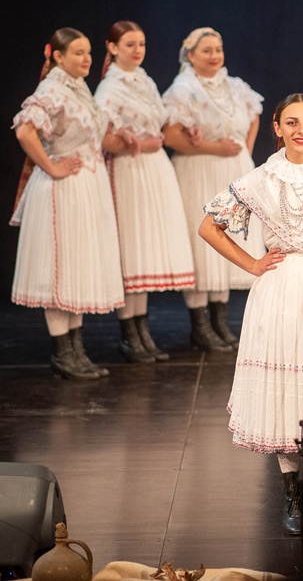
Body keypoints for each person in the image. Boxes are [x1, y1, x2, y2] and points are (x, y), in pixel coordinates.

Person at [199, 93, 303, 535]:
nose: (301, 130)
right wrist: (252, 264)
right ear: (276, 127)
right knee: (286, 389)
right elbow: (209, 226)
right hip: (279, 289)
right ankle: (293, 494)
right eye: (292, 122)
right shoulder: (261, 178)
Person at [10, 28, 124, 380]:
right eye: (78, 53)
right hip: (62, 189)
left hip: (86, 186)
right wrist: (52, 166)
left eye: (88, 52)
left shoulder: (78, 88)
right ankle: (63, 353)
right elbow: (25, 129)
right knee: (60, 269)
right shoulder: (52, 89)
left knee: (76, 267)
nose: (86, 59)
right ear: (58, 57)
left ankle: (76, 350)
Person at [95, 21, 196, 363]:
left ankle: (142, 330)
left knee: (144, 250)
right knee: (131, 248)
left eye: (141, 44)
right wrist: (137, 143)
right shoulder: (110, 87)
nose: (137, 50)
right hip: (128, 170)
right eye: (129, 44)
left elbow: (161, 119)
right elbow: (103, 137)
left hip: (152, 169)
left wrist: (186, 130)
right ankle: (129, 334)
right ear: (112, 48)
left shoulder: (144, 80)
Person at [162, 27, 265, 353]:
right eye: (206, 50)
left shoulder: (234, 85)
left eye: (217, 49)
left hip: (231, 171)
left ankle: (220, 321)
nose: (214, 55)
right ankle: (200, 324)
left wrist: (243, 151)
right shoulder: (183, 89)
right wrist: (213, 148)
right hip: (199, 170)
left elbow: (255, 115)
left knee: (229, 238)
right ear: (191, 55)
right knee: (203, 244)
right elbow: (171, 136)